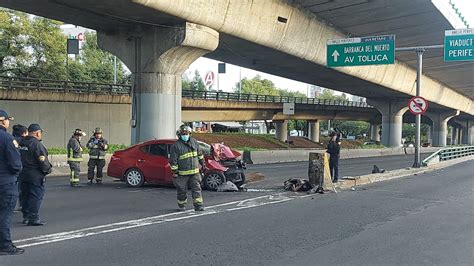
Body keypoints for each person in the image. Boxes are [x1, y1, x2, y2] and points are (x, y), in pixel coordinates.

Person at [0, 110, 24, 255]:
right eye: (8, 120)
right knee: (4, 215)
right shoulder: (7, 138)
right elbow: (15, 164)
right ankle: (5, 245)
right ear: (3, 121)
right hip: (5, 182)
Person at [18, 124, 52, 226]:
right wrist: (47, 170)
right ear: (37, 133)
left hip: (23, 173)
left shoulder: (21, 143)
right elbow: (42, 161)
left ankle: (26, 216)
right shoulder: (36, 144)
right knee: (35, 196)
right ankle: (33, 218)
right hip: (35, 174)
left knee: (25, 195)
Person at [169, 125, 206, 212]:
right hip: (182, 174)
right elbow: (173, 161)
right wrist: (175, 172)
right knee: (181, 190)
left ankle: (198, 206)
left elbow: (199, 154)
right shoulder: (176, 146)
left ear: (189, 133)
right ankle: (182, 205)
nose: (185, 135)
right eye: (183, 133)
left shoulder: (194, 142)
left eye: (186, 133)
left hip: (195, 173)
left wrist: (202, 163)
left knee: (197, 189)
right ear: (180, 134)